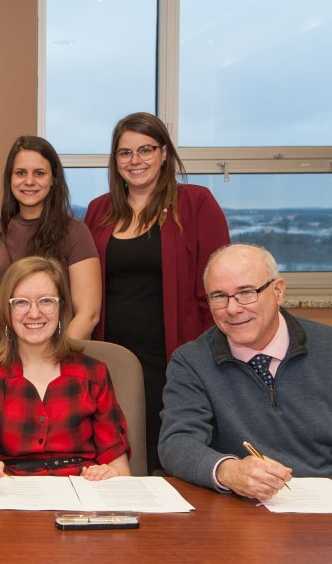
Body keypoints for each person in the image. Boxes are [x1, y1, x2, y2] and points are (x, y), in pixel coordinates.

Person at [159, 244, 332, 501]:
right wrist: (228, 471)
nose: (232, 309)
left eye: (246, 292)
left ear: (278, 292)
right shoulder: (192, 361)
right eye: (219, 296)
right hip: (243, 512)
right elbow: (177, 444)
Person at [84, 112, 230, 475]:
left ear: (164, 153)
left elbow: (217, 287)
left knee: (171, 452)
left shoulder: (196, 203)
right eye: (124, 152)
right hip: (113, 356)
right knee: (118, 453)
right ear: (114, 160)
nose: (135, 161)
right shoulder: (99, 210)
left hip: (173, 354)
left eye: (145, 150)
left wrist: (206, 354)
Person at [0, 256, 131, 495]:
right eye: (21, 303)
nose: (35, 313)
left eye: (46, 301)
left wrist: (109, 474)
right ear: (7, 311)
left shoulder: (93, 372)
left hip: (83, 496)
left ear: (61, 308)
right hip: (15, 494)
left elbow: (118, 464)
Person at [0, 136, 100, 357]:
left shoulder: (75, 233)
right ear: (10, 178)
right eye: (21, 173)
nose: (29, 181)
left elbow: (88, 313)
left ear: (53, 179)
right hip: (7, 359)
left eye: (39, 173)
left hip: (59, 359)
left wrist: (49, 362)